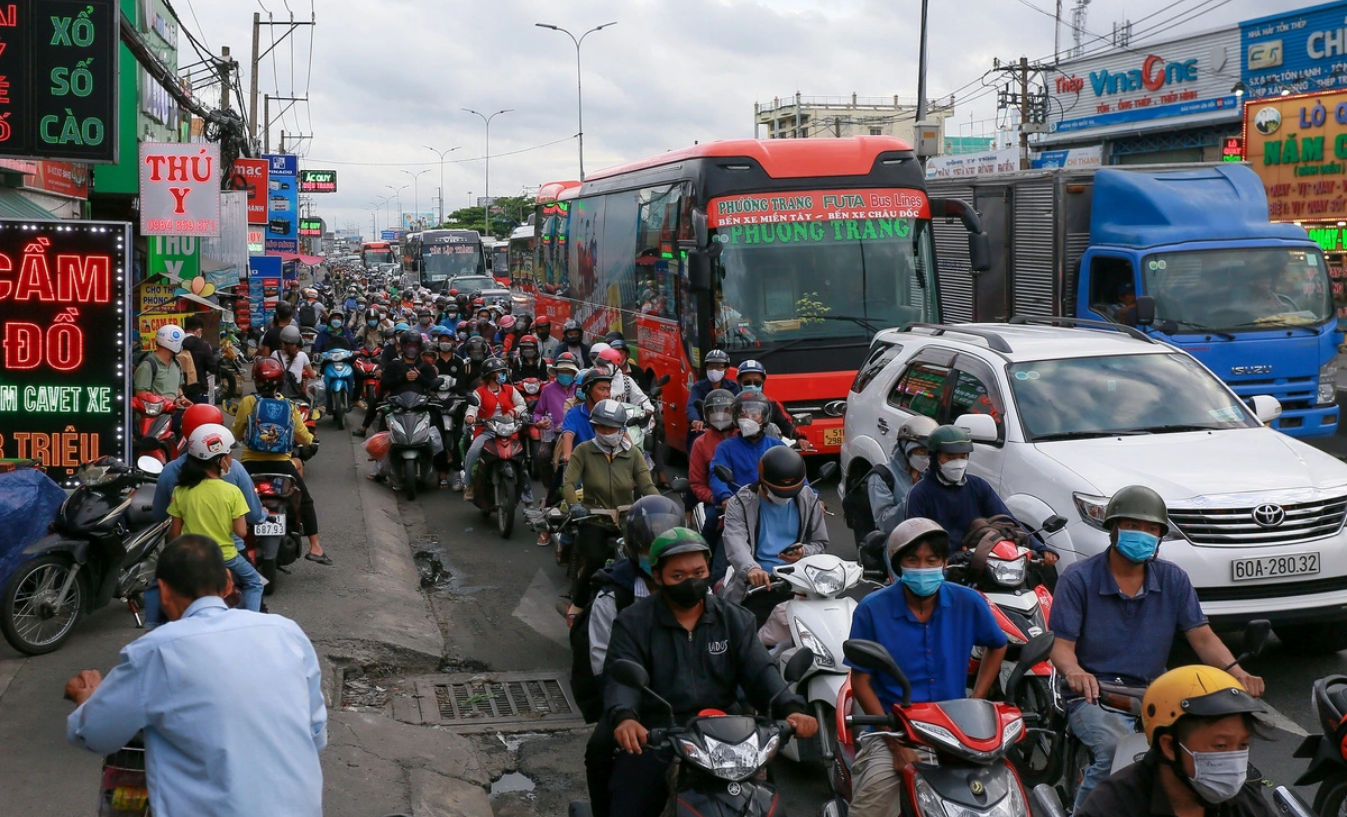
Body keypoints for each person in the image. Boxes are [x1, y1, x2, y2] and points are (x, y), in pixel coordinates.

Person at [64, 535, 326, 817]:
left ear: (163, 591)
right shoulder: (287, 633)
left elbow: (94, 735)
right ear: (228, 582)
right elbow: (317, 735)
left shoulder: (157, 651)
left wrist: (89, 700)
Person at [1049, 485, 1265, 811]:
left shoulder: (1173, 579)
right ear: (1114, 529)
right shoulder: (1078, 578)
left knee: (1195, 750)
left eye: (1152, 529)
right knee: (1112, 752)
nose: (1143, 535)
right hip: (1095, 694)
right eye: (1133, 526)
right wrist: (1076, 672)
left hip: (1156, 692)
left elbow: (1202, 637)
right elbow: (1061, 645)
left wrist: (1236, 672)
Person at [602, 528, 818, 817]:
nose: (690, 582)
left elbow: (760, 672)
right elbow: (622, 676)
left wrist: (791, 708)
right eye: (678, 576)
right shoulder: (633, 622)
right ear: (658, 577)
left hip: (728, 731)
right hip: (658, 733)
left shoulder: (734, 618)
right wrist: (626, 718)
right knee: (627, 798)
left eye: (698, 572)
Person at [845, 518, 1008, 814]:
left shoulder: (968, 602)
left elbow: (998, 645)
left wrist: (977, 699)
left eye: (931, 560)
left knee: (996, 796)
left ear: (944, 563)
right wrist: (894, 744)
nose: (922, 568)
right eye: (913, 560)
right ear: (898, 565)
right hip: (894, 730)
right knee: (875, 802)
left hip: (958, 726)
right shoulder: (871, 609)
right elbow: (861, 682)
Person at [579, 495, 682, 817]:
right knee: (599, 750)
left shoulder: (701, 592)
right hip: (636, 703)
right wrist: (626, 709)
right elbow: (602, 663)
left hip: (692, 697)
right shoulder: (613, 596)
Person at [1076, 665, 1272, 817]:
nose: (1233, 759)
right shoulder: (1112, 807)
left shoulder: (1244, 802)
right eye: (1220, 745)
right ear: (1169, 746)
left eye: (1243, 745)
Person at [151, 405, 265, 619]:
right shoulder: (234, 479)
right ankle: (251, 622)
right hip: (230, 555)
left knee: (162, 592)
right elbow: (246, 525)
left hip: (188, 555)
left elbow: (163, 521)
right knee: (254, 583)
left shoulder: (175, 481)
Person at [904, 425, 1058, 567]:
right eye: (950, 458)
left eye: (962, 457)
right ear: (934, 458)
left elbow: (1007, 519)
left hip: (981, 562)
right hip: (943, 567)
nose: (957, 463)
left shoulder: (978, 486)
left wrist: (1040, 548)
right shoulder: (920, 493)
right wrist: (934, 560)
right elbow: (916, 539)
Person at [233, 358, 331, 565]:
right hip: (282, 466)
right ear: (281, 382)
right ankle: (316, 546)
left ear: (256, 380)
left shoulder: (248, 403)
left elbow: (237, 432)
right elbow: (303, 437)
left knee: (232, 501)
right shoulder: (289, 406)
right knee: (305, 500)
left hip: (250, 465)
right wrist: (311, 441)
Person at [562, 399, 659, 598]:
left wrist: (659, 506)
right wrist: (573, 505)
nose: (605, 432)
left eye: (611, 427)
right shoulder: (583, 451)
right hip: (593, 519)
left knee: (642, 562)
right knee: (595, 561)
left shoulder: (633, 454)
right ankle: (576, 606)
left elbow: (647, 485)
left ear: (621, 428)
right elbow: (569, 483)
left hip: (627, 521)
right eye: (601, 427)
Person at [721, 446, 829, 621]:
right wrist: (752, 568)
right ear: (763, 481)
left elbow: (820, 543)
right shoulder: (741, 502)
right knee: (746, 629)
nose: (785, 497)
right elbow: (736, 542)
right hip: (760, 584)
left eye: (792, 492)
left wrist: (804, 552)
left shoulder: (809, 499)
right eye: (779, 491)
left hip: (800, 581)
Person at [848, 416, 939, 551]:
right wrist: (916, 495)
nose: (926, 458)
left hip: (930, 540)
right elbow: (886, 523)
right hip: (897, 547)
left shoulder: (929, 474)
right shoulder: (882, 476)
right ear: (905, 448)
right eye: (921, 451)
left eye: (930, 453)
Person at [462, 357, 532, 504]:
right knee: (474, 451)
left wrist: (512, 413)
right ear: (490, 375)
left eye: (503, 372)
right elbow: (473, 407)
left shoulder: (510, 390)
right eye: (499, 372)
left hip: (508, 429)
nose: (502, 375)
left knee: (521, 460)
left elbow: (522, 405)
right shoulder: (479, 392)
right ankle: (469, 484)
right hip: (487, 430)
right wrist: (470, 416)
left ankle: (527, 496)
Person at [708, 392, 785, 507]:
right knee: (711, 521)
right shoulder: (725, 448)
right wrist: (726, 496)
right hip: (739, 506)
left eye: (754, 414)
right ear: (736, 418)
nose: (749, 419)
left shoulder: (778, 447)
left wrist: (813, 497)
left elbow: (795, 474)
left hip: (773, 504)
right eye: (743, 415)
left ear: (764, 416)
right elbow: (717, 476)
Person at [533, 354, 580, 514]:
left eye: (568, 371)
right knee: (543, 455)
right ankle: (548, 491)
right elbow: (538, 413)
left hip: (578, 434)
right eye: (562, 371)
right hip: (554, 434)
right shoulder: (548, 390)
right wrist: (539, 422)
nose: (565, 374)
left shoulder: (580, 389)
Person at [687, 388, 736, 531]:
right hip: (717, 503)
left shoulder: (744, 437)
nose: (719, 415)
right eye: (713, 411)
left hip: (747, 500)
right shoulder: (700, 443)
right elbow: (697, 484)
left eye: (725, 410)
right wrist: (717, 499)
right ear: (706, 415)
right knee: (712, 524)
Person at [134, 324, 194, 415]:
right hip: (153, 420)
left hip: (173, 415)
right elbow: (141, 395)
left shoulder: (177, 364)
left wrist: (182, 398)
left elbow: (178, 388)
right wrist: (172, 401)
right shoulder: (147, 365)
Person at [685, 349, 739, 446]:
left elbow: (739, 406)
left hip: (729, 426)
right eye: (711, 366)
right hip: (705, 427)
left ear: (726, 369)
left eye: (719, 367)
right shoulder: (698, 387)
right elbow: (691, 405)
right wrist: (695, 420)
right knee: (695, 441)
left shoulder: (733, 386)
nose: (714, 370)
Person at [735, 359, 798, 440]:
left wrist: (799, 438)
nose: (752, 385)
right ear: (740, 382)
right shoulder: (733, 404)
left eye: (757, 382)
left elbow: (787, 424)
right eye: (747, 382)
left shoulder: (772, 404)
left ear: (763, 382)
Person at [180, 315, 218, 404]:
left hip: (180, 391)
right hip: (199, 389)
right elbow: (213, 367)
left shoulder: (177, 343)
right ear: (199, 330)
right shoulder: (203, 345)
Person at [272, 324, 314, 400]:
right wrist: (315, 373)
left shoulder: (275, 354)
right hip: (296, 396)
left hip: (278, 396)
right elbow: (312, 375)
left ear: (281, 340)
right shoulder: (302, 355)